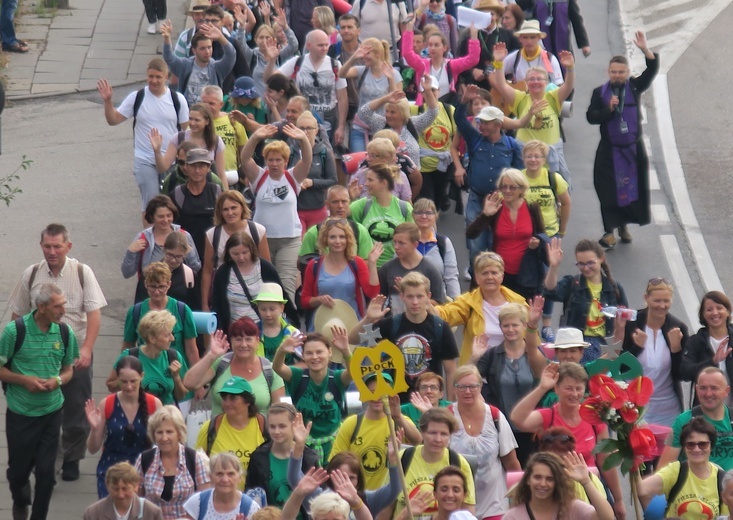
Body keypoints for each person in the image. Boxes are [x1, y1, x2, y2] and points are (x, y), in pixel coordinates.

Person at [8, 223, 107, 483]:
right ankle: (45, 458)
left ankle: (72, 458)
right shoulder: (31, 274)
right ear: (41, 246)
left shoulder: (82, 273)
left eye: (57, 246)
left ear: (68, 246)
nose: (52, 251)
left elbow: (95, 315)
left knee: (76, 408)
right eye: (47, 246)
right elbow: (17, 314)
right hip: (37, 353)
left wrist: (86, 349)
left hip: (74, 353)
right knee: (39, 408)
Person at [0, 284, 78, 520]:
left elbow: (68, 370)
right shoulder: (14, 332)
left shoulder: (65, 332)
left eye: (64, 304)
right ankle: (20, 501)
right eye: (58, 305)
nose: (63, 310)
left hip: (51, 413)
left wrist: (58, 381)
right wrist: (23, 380)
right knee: (18, 473)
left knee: (47, 474)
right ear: (41, 307)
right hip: (21, 415)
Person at [511, 363, 626, 519]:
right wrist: (542, 388)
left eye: (579, 388)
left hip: (589, 485)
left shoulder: (594, 418)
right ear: (556, 389)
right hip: (553, 488)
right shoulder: (548, 416)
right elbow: (517, 419)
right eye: (568, 388)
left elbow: (605, 461)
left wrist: (618, 500)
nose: (574, 394)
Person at [586, 31, 658, 248]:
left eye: (621, 72)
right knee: (607, 190)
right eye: (613, 72)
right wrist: (608, 109)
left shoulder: (634, 87)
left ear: (627, 72)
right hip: (609, 150)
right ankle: (609, 231)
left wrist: (645, 49)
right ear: (608, 72)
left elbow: (652, 69)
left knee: (629, 190)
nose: (617, 75)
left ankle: (624, 226)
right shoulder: (600, 93)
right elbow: (591, 117)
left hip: (632, 151)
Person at [97, 60, 189, 217]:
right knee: (151, 206)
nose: (154, 80)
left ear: (166, 77)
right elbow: (113, 120)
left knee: (172, 206)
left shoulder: (177, 99)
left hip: (170, 160)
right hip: (145, 159)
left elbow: (186, 132)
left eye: (158, 77)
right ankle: (151, 239)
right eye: (151, 76)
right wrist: (108, 101)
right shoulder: (137, 97)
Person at [352, 273, 458, 401]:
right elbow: (353, 339)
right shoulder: (391, 325)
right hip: (397, 402)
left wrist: (451, 406)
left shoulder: (441, 327)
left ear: (428, 297)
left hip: (430, 402)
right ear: (402, 297)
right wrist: (368, 319)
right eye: (410, 296)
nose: (415, 302)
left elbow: (451, 370)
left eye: (420, 296)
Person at [453, 86, 524, 278]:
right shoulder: (475, 139)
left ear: (498, 124)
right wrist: (463, 101)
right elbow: (459, 119)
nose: (481, 125)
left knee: (497, 240)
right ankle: (475, 271)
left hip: (502, 200)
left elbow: (519, 174)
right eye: (480, 122)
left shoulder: (512, 145)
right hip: (477, 197)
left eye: (486, 123)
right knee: (475, 239)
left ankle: (495, 274)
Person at [240, 123, 313, 301]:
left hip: (289, 240)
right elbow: (245, 158)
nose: (274, 164)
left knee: (285, 286)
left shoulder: (292, 177)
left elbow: (307, 161)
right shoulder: (259, 176)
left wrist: (303, 139)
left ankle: (288, 324)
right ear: (266, 161)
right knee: (263, 285)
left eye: (278, 160)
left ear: (286, 161)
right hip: (261, 240)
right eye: (270, 160)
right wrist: (256, 137)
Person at [492, 41, 576, 183]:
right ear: (526, 81)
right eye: (531, 79)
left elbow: (568, 87)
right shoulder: (520, 98)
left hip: (550, 156)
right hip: (526, 157)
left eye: (539, 79)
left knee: (556, 190)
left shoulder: (553, 97)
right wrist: (499, 63)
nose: (535, 82)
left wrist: (570, 69)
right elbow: (501, 85)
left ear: (546, 82)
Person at [85, 356, 163, 498]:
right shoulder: (107, 404)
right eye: (123, 382)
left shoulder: (154, 404)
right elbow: (92, 448)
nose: (128, 386)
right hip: (111, 474)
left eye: (133, 381)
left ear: (142, 376)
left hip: (143, 474)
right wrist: (95, 429)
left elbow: (162, 444)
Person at [449, 365, 520, 519]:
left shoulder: (495, 416)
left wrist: (519, 500)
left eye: (473, 386)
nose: (468, 391)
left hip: (495, 504)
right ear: (454, 389)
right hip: (456, 507)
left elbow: (511, 463)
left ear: (481, 387)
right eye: (462, 387)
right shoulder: (446, 417)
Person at [329, 373, 422, 491]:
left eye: (382, 392)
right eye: (372, 392)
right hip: (357, 494)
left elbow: (418, 441)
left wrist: (397, 416)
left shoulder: (399, 421)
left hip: (388, 496)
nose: (377, 397)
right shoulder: (352, 423)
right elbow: (336, 462)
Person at [473, 303, 539, 466]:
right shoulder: (492, 354)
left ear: (524, 325)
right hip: (501, 428)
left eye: (514, 325)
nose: (510, 329)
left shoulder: (535, 353)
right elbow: (467, 380)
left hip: (532, 429)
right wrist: (474, 357)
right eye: (506, 325)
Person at [273, 331, 354, 465]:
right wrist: (282, 350)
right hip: (303, 446)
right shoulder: (299, 376)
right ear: (303, 356)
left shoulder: (337, 378)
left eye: (319, 352)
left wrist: (346, 351)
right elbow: (277, 368)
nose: (315, 357)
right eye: (309, 353)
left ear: (329, 352)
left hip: (333, 447)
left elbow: (353, 373)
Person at [466, 168, 547, 299]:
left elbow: (543, 237)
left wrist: (537, 243)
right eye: (504, 187)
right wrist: (485, 215)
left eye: (512, 187)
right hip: (499, 272)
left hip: (526, 273)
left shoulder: (532, 207)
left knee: (521, 315)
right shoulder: (497, 207)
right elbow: (471, 234)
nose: (507, 191)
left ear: (522, 189)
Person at [434, 251, 527, 366]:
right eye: (484, 273)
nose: (490, 277)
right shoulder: (468, 302)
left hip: (512, 372)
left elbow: (532, 340)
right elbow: (445, 315)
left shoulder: (518, 303)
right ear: (477, 278)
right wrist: (425, 304)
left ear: (502, 276)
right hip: (477, 374)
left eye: (494, 273)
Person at [544, 238, 628, 363]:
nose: (586, 268)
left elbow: (625, 319)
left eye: (590, 263)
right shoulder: (572, 283)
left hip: (602, 345)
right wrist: (554, 266)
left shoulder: (615, 288)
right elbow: (550, 291)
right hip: (574, 345)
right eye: (581, 264)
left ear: (601, 258)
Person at [619, 277, 689, 427]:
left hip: (668, 409)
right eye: (657, 301)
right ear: (646, 298)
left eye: (666, 301)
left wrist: (676, 350)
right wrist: (636, 347)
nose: (662, 306)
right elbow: (620, 369)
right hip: (635, 407)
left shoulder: (678, 327)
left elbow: (681, 375)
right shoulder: (632, 324)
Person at [183, 318, 286, 416]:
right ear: (231, 341)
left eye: (249, 339)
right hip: (220, 432)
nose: (243, 344)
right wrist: (211, 355)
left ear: (257, 341)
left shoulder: (271, 370)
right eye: (238, 339)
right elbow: (189, 383)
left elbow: (281, 411)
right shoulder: (221, 363)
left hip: (258, 433)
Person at [521, 140, 571, 341]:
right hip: (526, 236)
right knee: (526, 277)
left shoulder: (553, 178)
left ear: (544, 159)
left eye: (537, 156)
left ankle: (547, 324)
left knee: (549, 278)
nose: (533, 160)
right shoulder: (518, 179)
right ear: (523, 158)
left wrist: (562, 230)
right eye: (529, 156)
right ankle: (527, 320)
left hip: (549, 234)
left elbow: (566, 202)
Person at [264, 30, 348, 143]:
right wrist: (272, 60)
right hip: (302, 117)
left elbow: (342, 98)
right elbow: (269, 80)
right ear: (309, 45)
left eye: (326, 45)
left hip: (329, 119)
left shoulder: (335, 65)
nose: (324, 48)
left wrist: (341, 126)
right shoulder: (297, 62)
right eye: (320, 45)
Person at [120, 262, 199, 381]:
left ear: (169, 284)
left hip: (178, 377)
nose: (157, 292)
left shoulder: (182, 310)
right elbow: (128, 346)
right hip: (145, 378)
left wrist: (197, 382)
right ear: (146, 284)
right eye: (152, 286)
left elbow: (191, 350)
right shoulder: (136, 312)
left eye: (161, 287)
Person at [637, 418, 729, 519]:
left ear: (711, 446)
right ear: (684, 447)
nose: (696, 449)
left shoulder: (721, 480)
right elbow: (642, 490)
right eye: (690, 444)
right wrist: (634, 460)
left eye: (703, 444)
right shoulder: (675, 471)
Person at [210, 232, 297, 331]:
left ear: (251, 250)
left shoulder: (265, 268)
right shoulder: (223, 272)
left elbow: (282, 296)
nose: (241, 258)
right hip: (236, 331)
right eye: (235, 254)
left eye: (244, 252)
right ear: (228, 253)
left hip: (265, 330)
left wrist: (294, 325)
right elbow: (217, 305)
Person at [135, 406, 211, 519]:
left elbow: (206, 502)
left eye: (169, 432)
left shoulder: (194, 459)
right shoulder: (144, 460)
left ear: (179, 433)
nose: (164, 438)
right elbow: (136, 500)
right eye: (159, 432)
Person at [200, 190, 270, 311]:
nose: (230, 213)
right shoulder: (212, 235)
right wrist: (205, 305)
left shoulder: (257, 230)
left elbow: (267, 268)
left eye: (234, 208)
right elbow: (207, 271)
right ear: (220, 212)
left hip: (255, 292)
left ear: (242, 208)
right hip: (225, 293)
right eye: (225, 209)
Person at [301, 218, 381, 320]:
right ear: (325, 239)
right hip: (323, 324)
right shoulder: (314, 265)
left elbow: (372, 293)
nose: (337, 241)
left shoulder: (357, 263)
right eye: (332, 237)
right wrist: (319, 299)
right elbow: (304, 301)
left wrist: (372, 264)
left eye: (342, 237)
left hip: (352, 323)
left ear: (348, 239)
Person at [246, 405, 320, 511]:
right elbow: (251, 496)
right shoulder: (258, 458)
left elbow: (320, 499)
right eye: (272, 426)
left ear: (294, 425)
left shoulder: (309, 458)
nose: (276, 431)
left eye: (282, 426)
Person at [110, 309, 190, 407]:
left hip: (165, 417)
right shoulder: (130, 356)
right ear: (152, 339)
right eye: (167, 335)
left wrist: (176, 377)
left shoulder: (174, 357)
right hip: (137, 416)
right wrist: (127, 380)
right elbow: (110, 385)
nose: (172, 338)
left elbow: (182, 396)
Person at [658, 367, 733, 471]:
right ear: (696, 390)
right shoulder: (684, 421)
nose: (708, 394)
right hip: (695, 485)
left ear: (726, 391)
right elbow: (663, 470)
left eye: (714, 388)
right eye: (703, 388)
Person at [503, 451, 615, 520]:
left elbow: (607, 517)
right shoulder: (513, 516)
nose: (543, 484)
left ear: (557, 482)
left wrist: (586, 481)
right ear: (527, 479)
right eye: (537, 477)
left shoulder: (572, 508)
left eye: (549, 479)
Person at [195, 377, 266, 484]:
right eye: (224, 398)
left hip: (257, 496)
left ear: (248, 401)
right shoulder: (210, 427)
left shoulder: (263, 425)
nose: (227, 403)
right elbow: (197, 463)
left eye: (233, 398)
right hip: (220, 495)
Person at [357, 78, 439, 167]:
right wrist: (385, 99)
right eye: (387, 111)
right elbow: (364, 112)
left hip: (411, 176)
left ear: (402, 113)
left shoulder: (413, 124)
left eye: (392, 112)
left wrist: (428, 91)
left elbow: (433, 113)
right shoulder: (381, 124)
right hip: (387, 176)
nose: (388, 115)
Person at [339, 38, 403, 153]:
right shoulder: (362, 70)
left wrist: (391, 79)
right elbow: (341, 74)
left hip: (383, 127)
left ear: (378, 54)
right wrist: (354, 57)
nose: (363, 56)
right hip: (361, 127)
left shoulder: (393, 74)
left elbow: (397, 102)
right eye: (362, 52)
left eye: (367, 53)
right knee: (359, 163)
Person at [121, 195, 201, 286]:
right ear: (152, 217)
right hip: (151, 292)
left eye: (169, 216)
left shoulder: (184, 236)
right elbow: (127, 273)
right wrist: (130, 252)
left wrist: (189, 253)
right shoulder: (142, 238)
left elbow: (196, 268)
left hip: (180, 290)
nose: (166, 220)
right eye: (161, 217)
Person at [349, 164, 414, 267]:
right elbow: (339, 219)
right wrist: (350, 199)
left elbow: (413, 239)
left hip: (396, 268)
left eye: (370, 180)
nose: (366, 184)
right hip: (368, 268)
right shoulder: (362, 205)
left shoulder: (404, 208)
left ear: (384, 183)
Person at [401, 20, 479, 105]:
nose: (433, 48)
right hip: (425, 109)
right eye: (430, 45)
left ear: (445, 48)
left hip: (446, 108)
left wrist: (474, 36)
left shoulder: (451, 65)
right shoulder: (422, 64)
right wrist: (409, 29)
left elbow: (472, 59)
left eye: (436, 45)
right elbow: (407, 53)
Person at [151, 103, 227, 189]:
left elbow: (221, 175)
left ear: (207, 121)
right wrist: (157, 151)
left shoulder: (216, 142)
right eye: (190, 119)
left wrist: (226, 196)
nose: (192, 123)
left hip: (207, 190)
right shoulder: (179, 138)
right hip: (181, 188)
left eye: (197, 120)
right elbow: (163, 168)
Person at [161, 20, 236, 106]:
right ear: (194, 50)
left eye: (209, 47)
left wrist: (220, 37)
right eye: (202, 48)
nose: (207, 52)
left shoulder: (217, 68)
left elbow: (231, 55)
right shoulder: (185, 66)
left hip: (210, 114)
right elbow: (169, 58)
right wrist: (167, 38)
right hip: (189, 113)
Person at [379, 223, 447, 314]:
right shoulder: (387, 268)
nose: (396, 247)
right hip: (394, 324)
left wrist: (408, 292)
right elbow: (379, 299)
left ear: (415, 244)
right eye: (394, 242)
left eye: (402, 243)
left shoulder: (430, 270)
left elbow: (439, 303)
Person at [170, 148, 224, 260]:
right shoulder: (176, 194)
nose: (197, 171)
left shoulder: (217, 192)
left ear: (209, 168)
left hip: (214, 252)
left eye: (202, 166)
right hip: (185, 254)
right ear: (186, 168)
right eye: (193, 166)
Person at [299, 185, 375, 262]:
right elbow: (302, 261)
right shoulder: (314, 233)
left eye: (344, 201)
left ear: (349, 202)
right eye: (335, 202)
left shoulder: (360, 231)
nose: (340, 206)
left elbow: (367, 261)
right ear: (327, 204)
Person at [536, 427, 607, 504]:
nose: (556, 463)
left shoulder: (590, 479)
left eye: (562, 458)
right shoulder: (536, 483)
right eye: (551, 459)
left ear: (572, 454)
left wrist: (586, 482)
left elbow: (605, 514)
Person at [296, 111, 339, 233]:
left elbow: (333, 180)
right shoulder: (291, 151)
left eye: (309, 128)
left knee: (318, 248)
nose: (305, 132)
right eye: (301, 128)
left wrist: (312, 183)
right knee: (300, 248)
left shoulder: (324, 152)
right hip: (295, 210)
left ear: (316, 130)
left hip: (317, 209)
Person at [183, 452, 260, 519]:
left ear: (240, 478)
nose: (225, 479)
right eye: (219, 474)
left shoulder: (251, 508)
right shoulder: (198, 502)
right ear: (211, 477)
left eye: (231, 474)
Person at [681, 291, 733, 388]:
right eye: (709, 310)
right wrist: (712, 361)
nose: (715, 313)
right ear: (703, 315)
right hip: (706, 401)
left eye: (719, 308)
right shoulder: (695, 342)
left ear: (728, 311)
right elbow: (685, 373)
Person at [413, 198, 460, 300]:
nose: (424, 216)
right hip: (411, 301)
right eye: (419, 212)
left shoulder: (443, 242)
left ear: (435, 216)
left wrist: (457, 302)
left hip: (438, 301)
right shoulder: (407, 241)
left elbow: (451, 275)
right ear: (413, 216)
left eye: (429, 213)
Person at [83, 462, 163, 520]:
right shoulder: (92, 514)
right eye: (115, 489)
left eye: (125, 489)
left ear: (136, 486)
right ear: (107, 486)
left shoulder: (152, 513)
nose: (120, 495)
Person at [348, 137, 414, 203]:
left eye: (373, 156)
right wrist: (352, 198)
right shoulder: (360, 175)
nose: (368, 159)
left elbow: (408, 204)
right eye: (367, 154)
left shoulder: (400, 176)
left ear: (386, 158)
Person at [200, 85, 248, 175]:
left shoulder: (233, 121)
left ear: (221, 104)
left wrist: (246, 174)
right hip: (203, 176)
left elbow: (244, 151)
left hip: (230, 175)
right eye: (204, 103)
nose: (207, 107)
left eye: (211, 103)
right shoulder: (195, 123)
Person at [501, 20, 565, 86]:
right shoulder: (515, 57)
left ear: (539, 38)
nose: (529, 41)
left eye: (533, 37)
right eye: (525, 37)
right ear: (520, 39)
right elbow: (494, 74)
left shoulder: (549, 58)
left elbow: (559, 84)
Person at [524, 0, 591, 59]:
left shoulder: (567, 1)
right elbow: (522, 11)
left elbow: (576, 19)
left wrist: (584, 44)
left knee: (564, 65)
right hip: (540, 42)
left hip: (562, 42)